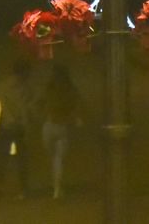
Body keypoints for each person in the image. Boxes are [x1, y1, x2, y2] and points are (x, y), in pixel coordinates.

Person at [0, 59, 33, 199]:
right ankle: (23, 189)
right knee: (22, 159)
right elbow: (25, 109)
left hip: (5, 126)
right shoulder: (25, 88)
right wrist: (26, 124)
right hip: (19, 127)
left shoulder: (3, 86)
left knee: (2, 158)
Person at [40, 63, 83, 199]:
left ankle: (56, 186)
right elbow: (76, 107)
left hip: (48, 126)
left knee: (52, 157)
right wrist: (76, 119)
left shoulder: (49, 87)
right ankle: (57, 189)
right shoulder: (71, 89)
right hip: (62, 127)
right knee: (58, 159)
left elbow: (40, 102)